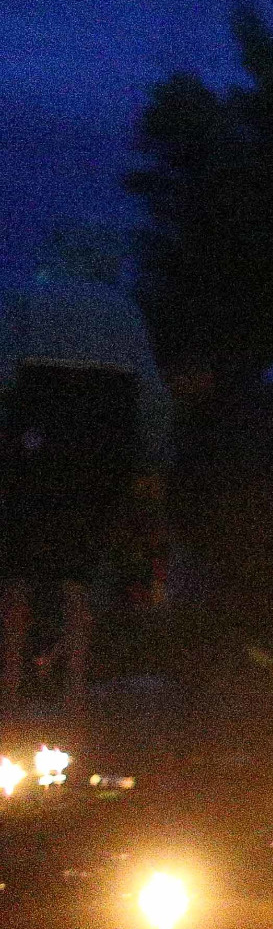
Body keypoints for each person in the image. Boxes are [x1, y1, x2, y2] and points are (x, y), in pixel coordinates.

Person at [0, 234, 172, 709]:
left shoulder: (23, 302)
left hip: (32, 450)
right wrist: (153, 461)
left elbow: (3, 376)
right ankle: (74, 686)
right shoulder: (122, 310)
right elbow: (152, 395)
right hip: (100, 452)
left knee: (17, 573)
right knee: (81, 572)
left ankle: (10, 682)